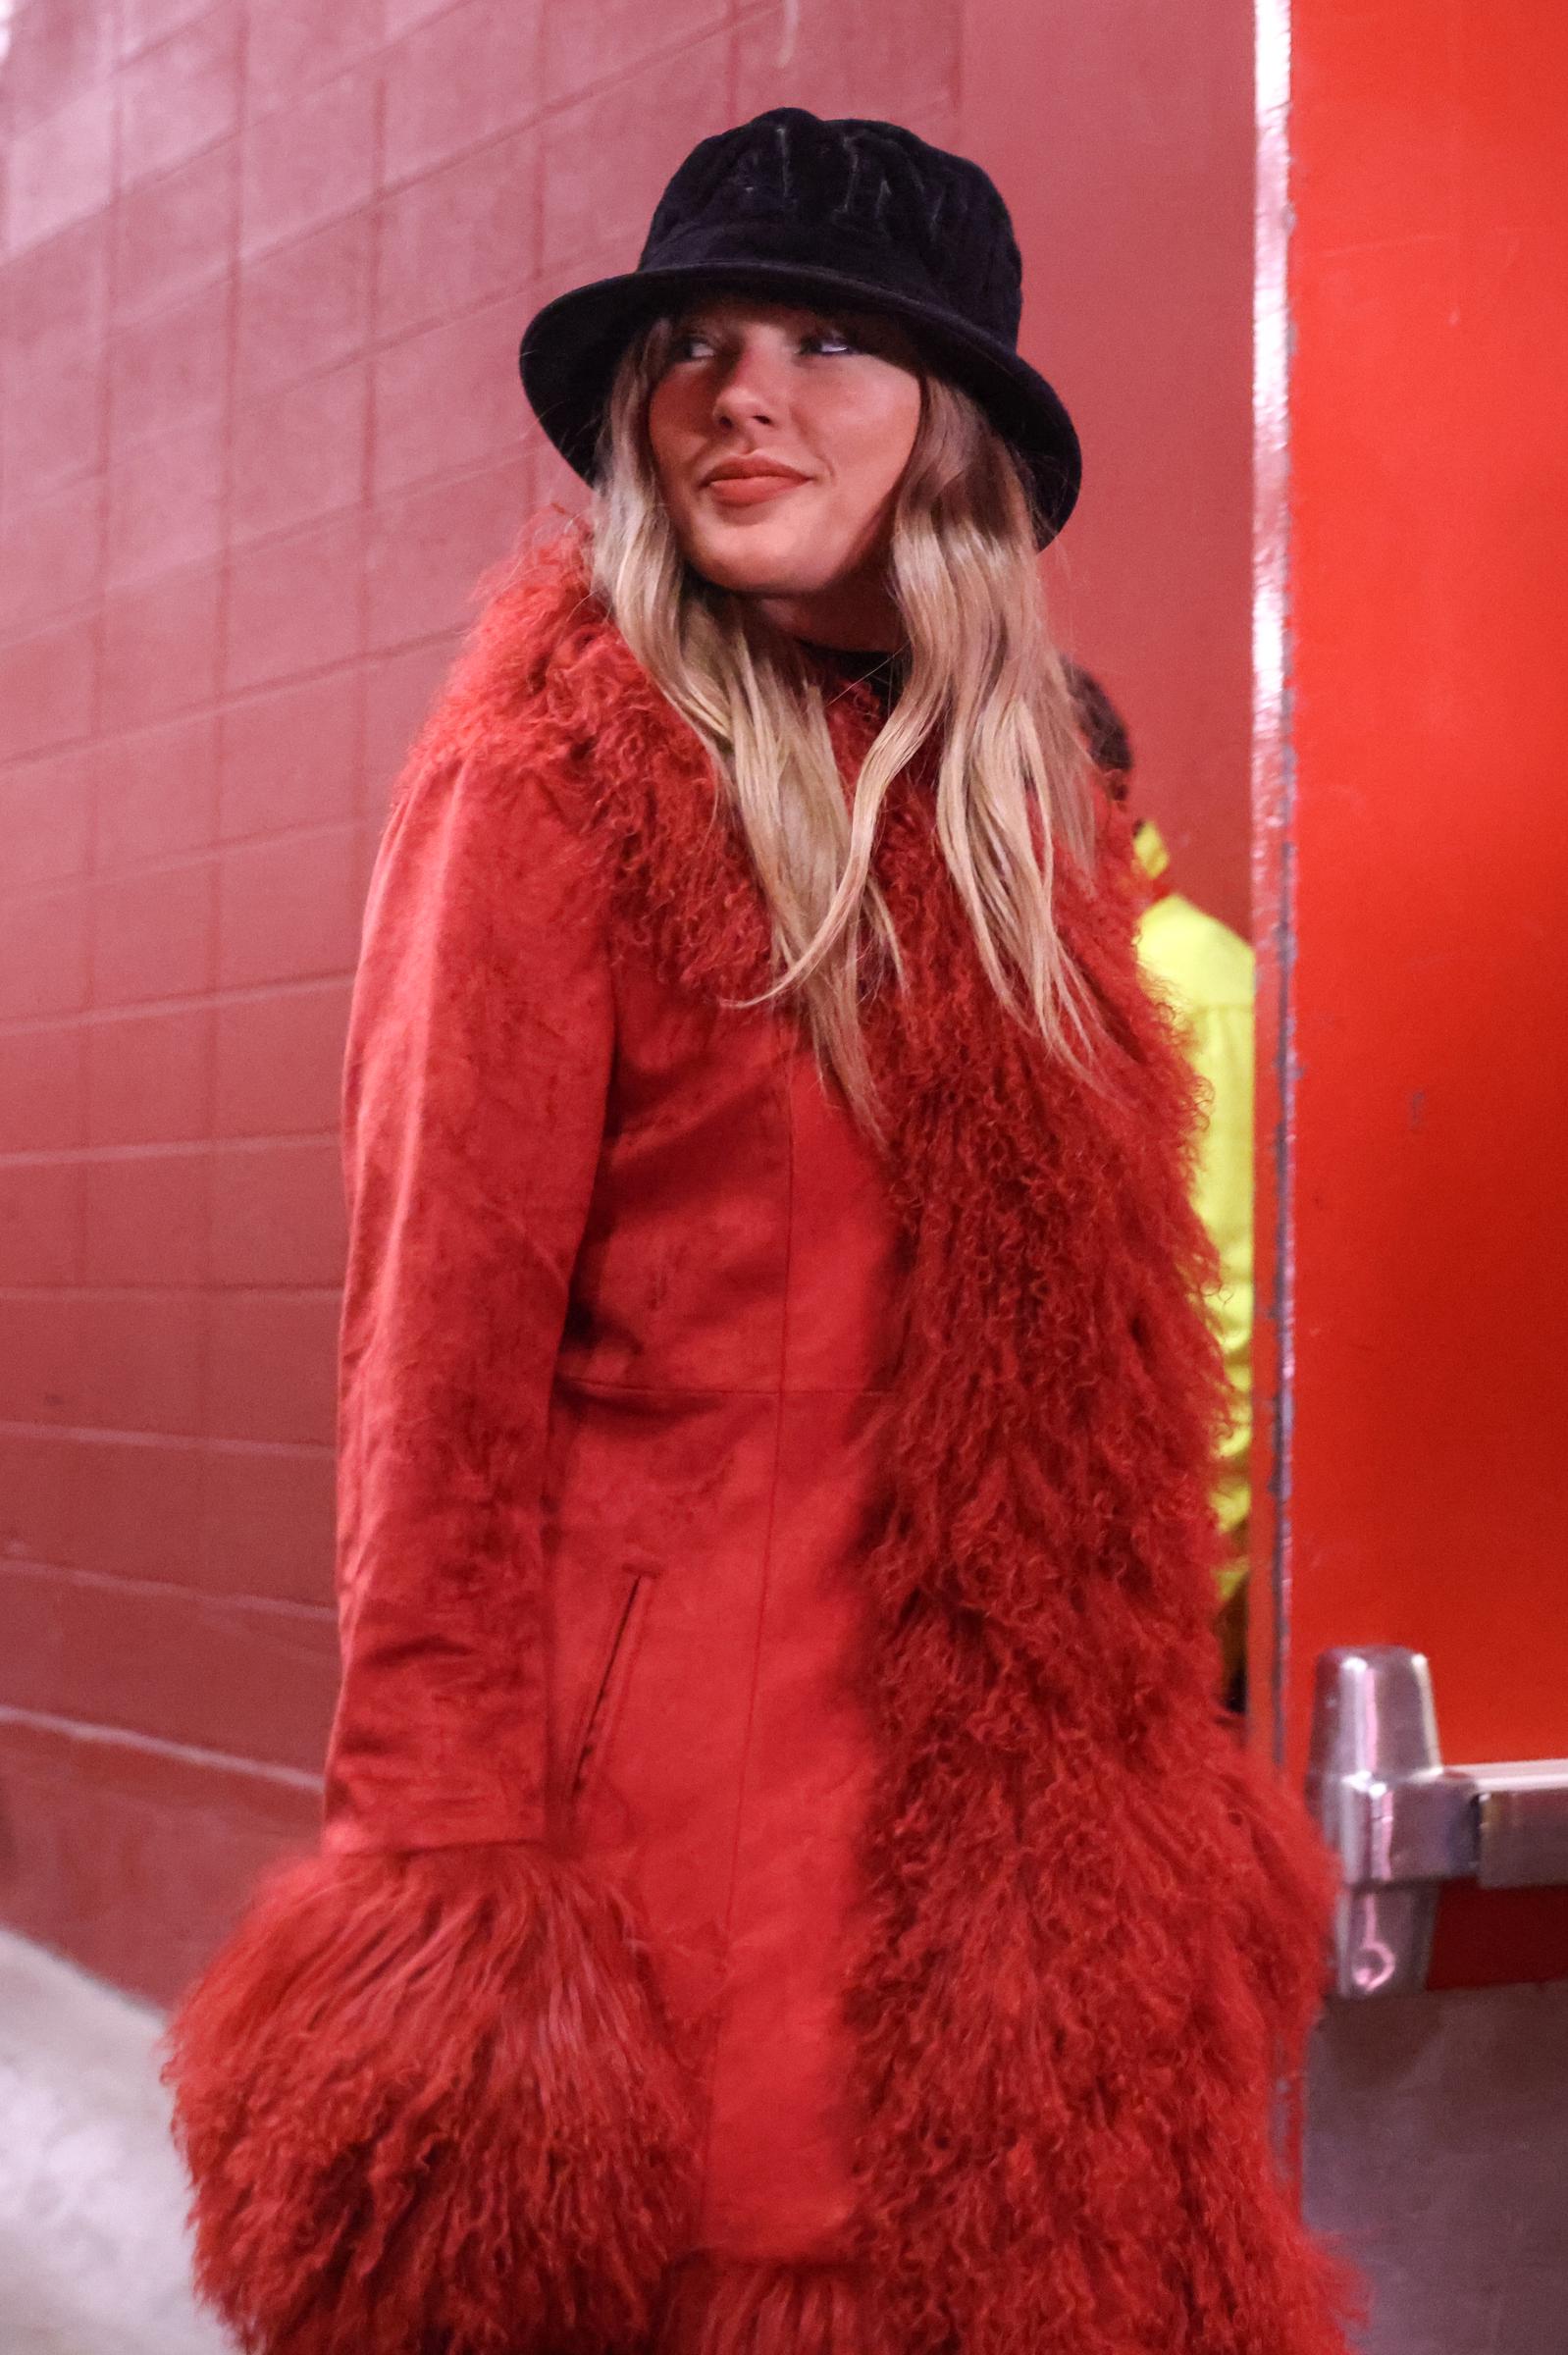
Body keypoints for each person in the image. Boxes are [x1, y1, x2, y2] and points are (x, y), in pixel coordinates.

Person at [163, 109, 1351, 2355]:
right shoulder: (556, 769)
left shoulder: (1031, 831)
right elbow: (432, 1389)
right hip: (683, 1910)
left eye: (827, 340)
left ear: (959, 426)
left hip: (1022, 1925)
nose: (743, 394)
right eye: (696, 344)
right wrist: (440, 1891)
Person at [1068, 664, 1255, 1701]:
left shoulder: (1189, 993)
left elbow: (1227, 1331)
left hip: (1141, 1628)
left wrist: (1178, 1608)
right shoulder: (1073, 973)